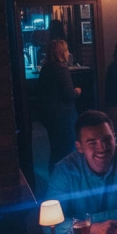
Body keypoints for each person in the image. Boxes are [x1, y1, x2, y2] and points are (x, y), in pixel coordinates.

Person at [44, 110, 117, 234]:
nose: (102, 148)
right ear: (79, 147)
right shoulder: (64, 170)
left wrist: (87, 220)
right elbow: (50, 224)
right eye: (92, 143)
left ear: (114, 137)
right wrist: (92, 228)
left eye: (107, 139)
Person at [37, 38, 81, 172]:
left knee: (56, 149)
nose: (68, 53)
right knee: (67, 150)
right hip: (63, 116)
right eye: (66, 50)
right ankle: (65, 178)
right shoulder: (61, 69)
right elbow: (69, 95)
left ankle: (54, 176)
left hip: (50, 116)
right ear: (61, 52)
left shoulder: (46, 68)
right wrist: (77, 91)